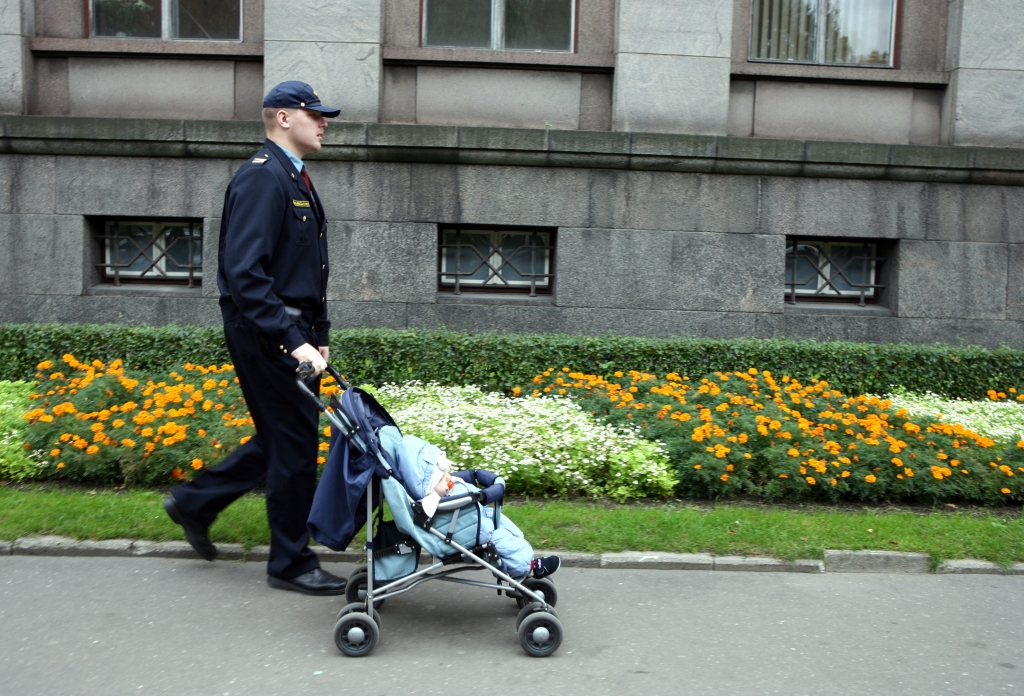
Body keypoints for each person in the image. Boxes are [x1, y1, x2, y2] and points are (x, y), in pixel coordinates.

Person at [162, 81, 347, 596]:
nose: (323, 122)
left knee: (280, 435)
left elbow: (309, 269)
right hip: (266, 333)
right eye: (314, 114)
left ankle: (195, 503)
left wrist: (319, 333)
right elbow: (245, 275)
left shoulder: (295, 178)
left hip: (287, 330)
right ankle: (289, 563)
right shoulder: (263, 179)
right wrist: (291, 338)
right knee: (293, 443)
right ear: (284, 118)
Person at [377, 426, 560, 579]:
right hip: (464, 533)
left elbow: (449, 482)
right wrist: (477, 495)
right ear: (429, 488)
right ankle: (529, 567)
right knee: (500, 541)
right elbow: (427, 506)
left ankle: (524, 561)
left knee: (505, 527)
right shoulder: (430, 501)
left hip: (472, 522)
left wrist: (465, 480)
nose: (448, 479)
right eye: (442, 479)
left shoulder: (440, 489)